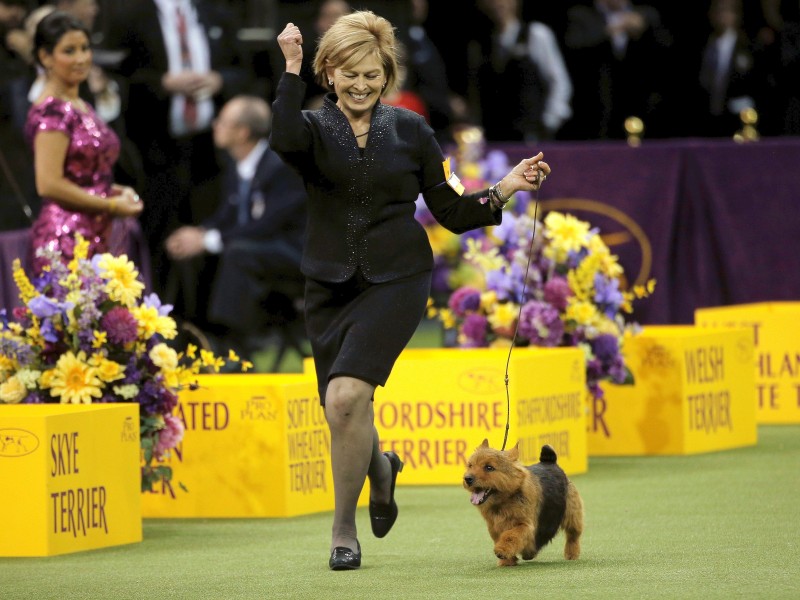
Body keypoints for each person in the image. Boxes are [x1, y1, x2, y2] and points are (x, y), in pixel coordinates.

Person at [271, 11, 550, 571]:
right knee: (339, 409)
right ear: (329, 73)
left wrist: (503, 189)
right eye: (349, 73)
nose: (361, 84)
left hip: (397, 280)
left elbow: (449, 210)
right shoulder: (309, 127)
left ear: (387, 75)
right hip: (326, 284)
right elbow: (280, 134)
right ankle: (380, 468)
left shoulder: (411, 131)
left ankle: (342, 531)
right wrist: (292, 68)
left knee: (348, 397)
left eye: (372, 74)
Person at [102, 0, 249, 295]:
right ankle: (153, 320)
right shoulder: (129, 15)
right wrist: (163, 83)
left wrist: (219, 80)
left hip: (209, 151)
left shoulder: (216, 13)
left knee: (208, 235)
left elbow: (248, 70)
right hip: (152, 152)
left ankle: (207, 325)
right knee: (156, 240)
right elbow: (114, 74)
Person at [164, 95, 307, 363]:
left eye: (223, 122)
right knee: (185, 248)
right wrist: (199, 235)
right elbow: (227, 216)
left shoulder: (282, 166)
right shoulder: (235, 165)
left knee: (238, 253)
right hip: (257, 250)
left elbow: (267, 225)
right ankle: (189, 335)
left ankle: (235, 345)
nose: (215, 125)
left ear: (242, 132)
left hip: (292, 254)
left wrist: (210, 239)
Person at [25, 11, 142, 274]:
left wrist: (114, 191)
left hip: (100, 232)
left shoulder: (81, 105)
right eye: (69, 51)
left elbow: (86, 176)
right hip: (65, 243)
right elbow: (48, 184)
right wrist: (110, 205)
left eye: (85, 48)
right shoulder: (52, 112)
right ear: (45, 57)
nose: (81, 59)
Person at [468, 0, 573, 143]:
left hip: (532, 135)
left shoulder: (536, 34)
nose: (498, 4)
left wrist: (549, 122)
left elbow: (559, 82)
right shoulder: (481, 45)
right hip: (495, 137)